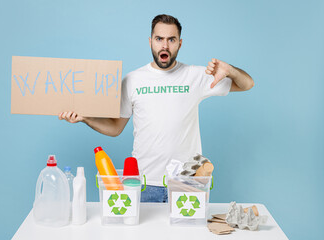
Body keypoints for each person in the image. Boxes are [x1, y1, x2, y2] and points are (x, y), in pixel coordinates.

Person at [59, 14, 254, 202]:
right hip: (143, 183)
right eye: (159, 38)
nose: (165, 45)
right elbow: (115, 128)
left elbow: (247, 84)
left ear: (180, 43)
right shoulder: (132, 80)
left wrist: (230, 70)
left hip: (186, 183)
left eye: (171, 39)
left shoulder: (196, 76)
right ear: (150, 41)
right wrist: (85, 118)